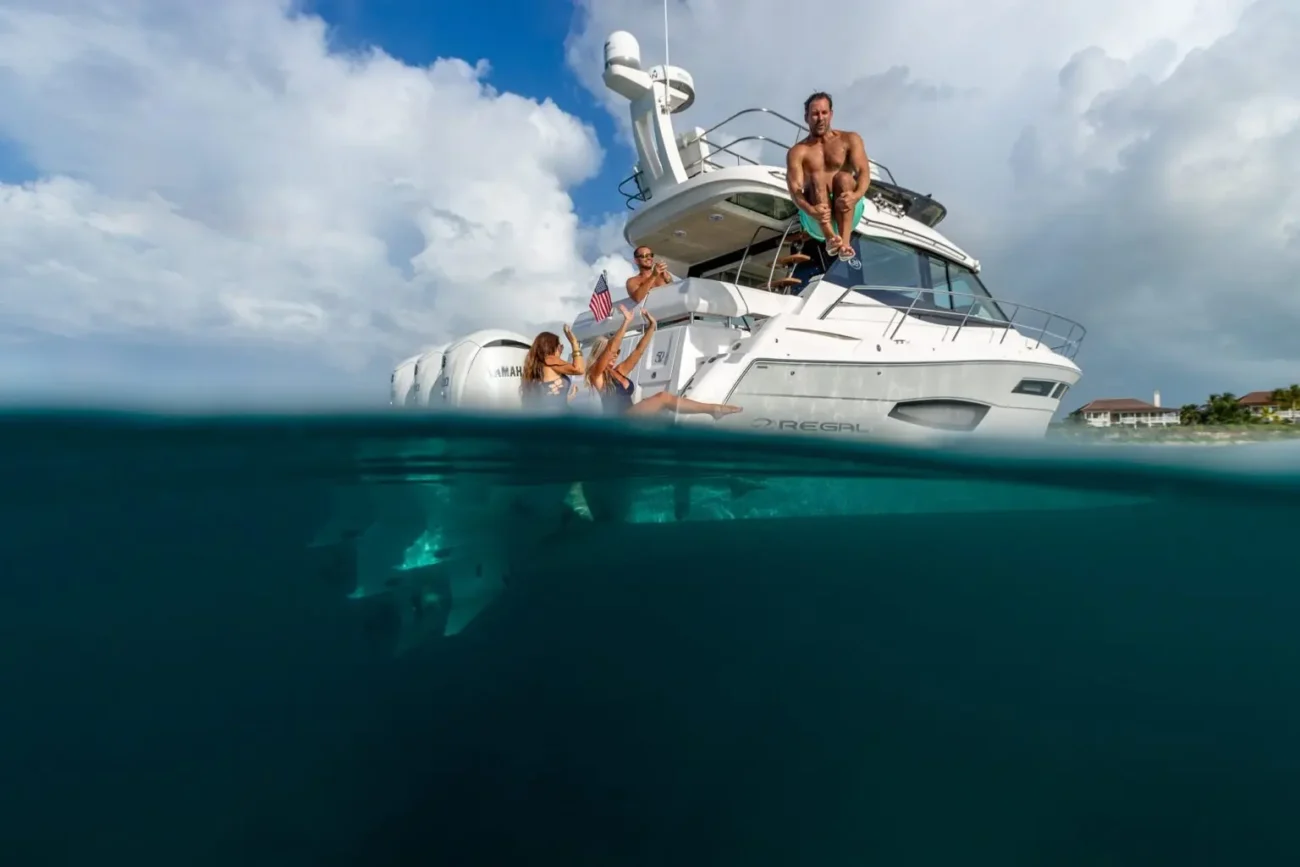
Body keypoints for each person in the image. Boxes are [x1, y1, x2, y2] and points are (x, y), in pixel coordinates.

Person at [586, 304, 742, 420]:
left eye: (618, 353)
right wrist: (626, 322)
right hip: (617, 421)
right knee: (663, 397)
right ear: (600, 354)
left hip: (630, 418)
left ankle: (713, 410)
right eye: (613, 353)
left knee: (661, 408)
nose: (615, 355)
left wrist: (652, 327)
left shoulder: (619, 371)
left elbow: (639, 351)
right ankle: (713, 409)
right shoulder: (596, 375)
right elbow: (611, 349)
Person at [785, 91, 871, 260]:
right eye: (815, 114)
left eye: (824, 112)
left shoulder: (850, 139)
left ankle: (845, 244)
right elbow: (794, 190)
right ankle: (830, 239)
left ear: (831, 114)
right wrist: (811, 210)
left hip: (848, 208)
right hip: (815, 216)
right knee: (816, 177)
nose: (820, 118)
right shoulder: (798, 152)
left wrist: (855, 196)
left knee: (844, 178)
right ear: (806, 117)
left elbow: (864, 172)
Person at [520, 324, 585, 408]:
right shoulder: (549, 359)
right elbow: (579, 369)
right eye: (560, 345)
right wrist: (574, 343)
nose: (562, 348)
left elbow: (550, 400)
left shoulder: (541, 364)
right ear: (551, 347)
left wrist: (570, 396)